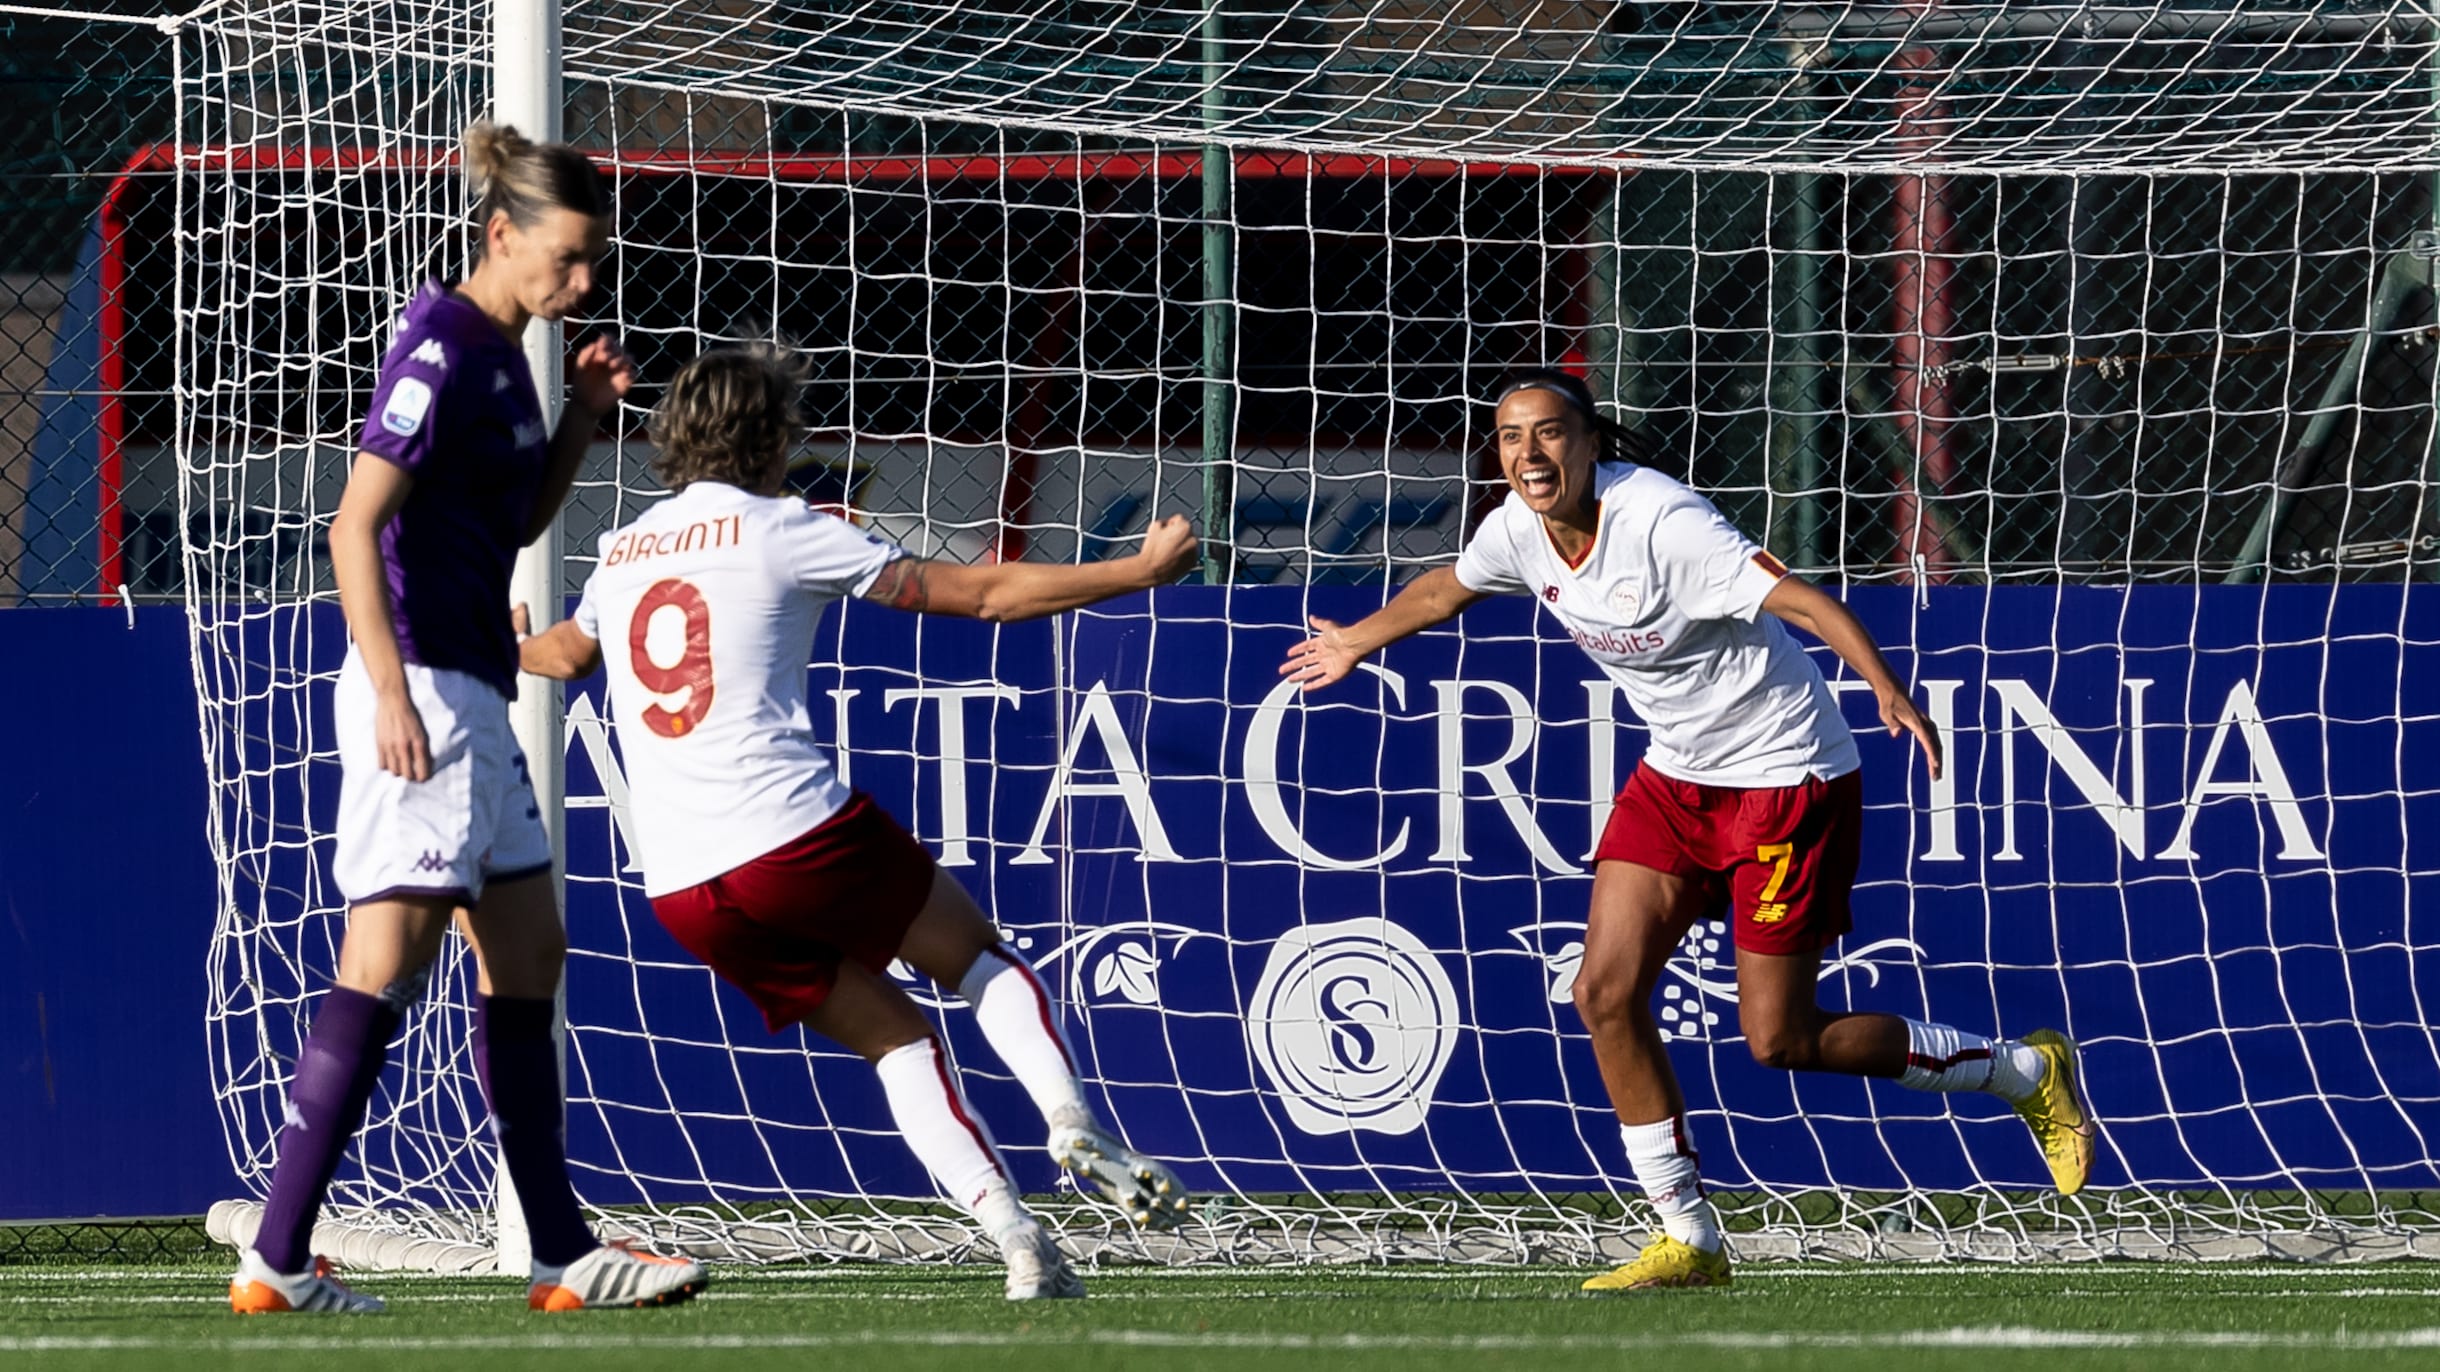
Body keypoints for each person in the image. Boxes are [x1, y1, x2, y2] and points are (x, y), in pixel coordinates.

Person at [1281, 369, 2093, 1291]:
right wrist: (1356, 639)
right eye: (1510, 439)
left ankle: (2023, 1070)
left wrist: (1880, 680)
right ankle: (1688, 1236)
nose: (1529, 455)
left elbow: (1797, 599)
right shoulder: (1516, 526)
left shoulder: (1665, 521)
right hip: (1675, 781)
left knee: (1778, 1040)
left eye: (1549, 434)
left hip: (1786, 779)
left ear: (1592, 444)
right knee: (1603, 992)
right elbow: (1445, 590)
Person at [517, 344, 1198, 1301]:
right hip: (790, 830)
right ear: (778, 436)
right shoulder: (783, 527)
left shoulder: (625, 548)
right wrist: (1136, 569)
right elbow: (982, 594)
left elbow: (562, 655)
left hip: (682, 883)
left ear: (672, 438)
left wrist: (503, 641)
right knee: (977, 960)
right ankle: (1069, 1119)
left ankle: (1019, 1242)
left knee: (896, 1041)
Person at [231, 123, 707, 1315]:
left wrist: (586, 416)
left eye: (594, 260)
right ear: (503, 234)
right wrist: (390, 691)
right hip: (426, 690)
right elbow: (352, 526)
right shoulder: (440, 347)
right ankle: (279, 1255)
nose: (585, 282)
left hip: (473, 689)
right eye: (571, 257)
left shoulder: (509, 354)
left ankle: (558, 1250)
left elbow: (511, 529)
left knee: (530, 946)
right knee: (386, 961)